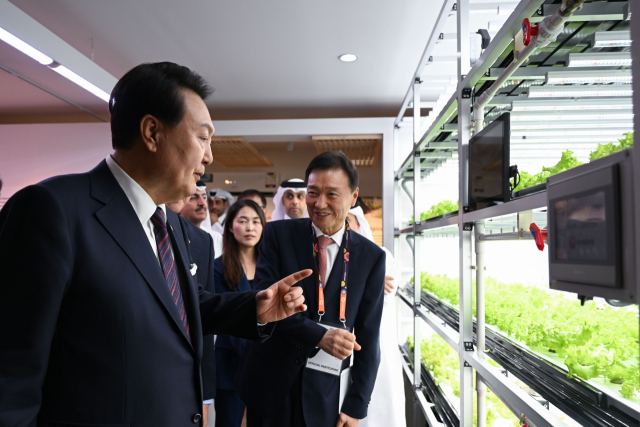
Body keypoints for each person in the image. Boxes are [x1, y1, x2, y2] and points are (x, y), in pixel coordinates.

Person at [0, 61, 311, 427]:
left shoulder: (170, 225)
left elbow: (178, 306)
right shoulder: (53, 209)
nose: (209, 156)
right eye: (202, 137)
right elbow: (12, 376)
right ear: (152, 132)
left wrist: (253, 309)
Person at [237, 151, 386, 427]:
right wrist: (320, 336)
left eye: (332, 194)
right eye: (313, 193)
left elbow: (369, 337)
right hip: (271, 383)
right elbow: (267, 307)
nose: (319, 204)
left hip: (325, 393)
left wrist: (356, 404)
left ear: (353, 197)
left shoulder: (371, 258)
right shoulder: (277, 236)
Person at [346, 200, 406, 427]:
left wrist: (353, 286)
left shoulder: (382, 256)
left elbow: (382, 298)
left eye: (348, 222)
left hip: (379, 349)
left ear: (360, 224)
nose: (346, 228)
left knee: (381, 411)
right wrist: (368, 283)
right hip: (343, 347)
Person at [166, 195, 219, 427]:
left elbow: (203, 318)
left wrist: (205, 395)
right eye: (194, 196)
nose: (207, 157)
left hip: (188, 384)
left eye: (202, 196)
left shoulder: (202, 240)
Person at [214, 199, 267, 427]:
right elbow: (225, 318)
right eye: (242, 221)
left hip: (268, 367)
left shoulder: (271, 266)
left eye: (256, 222)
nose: (250, 228)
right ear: (229, 226)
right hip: (232, 365)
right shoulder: (218, 268)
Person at [177, 181, 223, 257]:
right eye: (193, 198)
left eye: (204, 198)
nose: (202, 203)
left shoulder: (216, 237)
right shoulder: (172, 235)